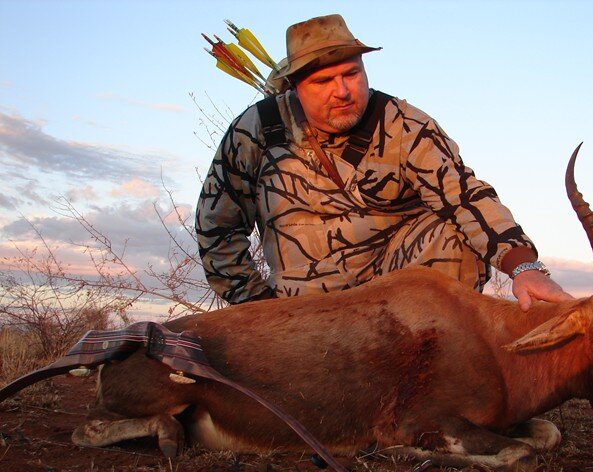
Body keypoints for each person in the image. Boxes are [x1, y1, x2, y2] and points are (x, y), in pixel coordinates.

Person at [196, 14, 572, 310]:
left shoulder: (402, 122)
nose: (342, 91)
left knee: (457, 233)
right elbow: (218, 228)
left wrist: (524, 267)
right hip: (304, 305)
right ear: (295, 87)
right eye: (324, 80)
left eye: (351, 74)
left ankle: (433, 369)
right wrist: (258, 307)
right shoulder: (255, 130)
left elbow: (464, 196)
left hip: (399, 297)